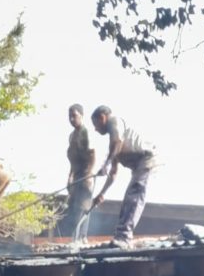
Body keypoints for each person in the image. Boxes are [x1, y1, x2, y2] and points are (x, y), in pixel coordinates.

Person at [91, 105, 156, 248]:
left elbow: (118, 142)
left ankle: (124, 237)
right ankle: (121, 235)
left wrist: (106, 163)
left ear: (102, 117)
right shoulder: (112, 146)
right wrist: (101, 194)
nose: (95, 129)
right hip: (138, 166)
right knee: (127, 200)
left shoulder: (114, 121)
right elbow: (113, 173)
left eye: (95, 125)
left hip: (146, 158)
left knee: (134, 194)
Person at [62, 104, 95, 242]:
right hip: (75, 175)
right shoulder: (72, 136)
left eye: (74, 115)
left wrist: (88, 174)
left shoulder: (86, 132)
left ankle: (82, 238)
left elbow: (92, 154)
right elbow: (72, 160)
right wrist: (70, 177)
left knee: (83, 207)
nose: (71, 119)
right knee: (73, 207)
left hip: (86, 175)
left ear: (81, 115)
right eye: (69, 116)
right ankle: (74, 238)